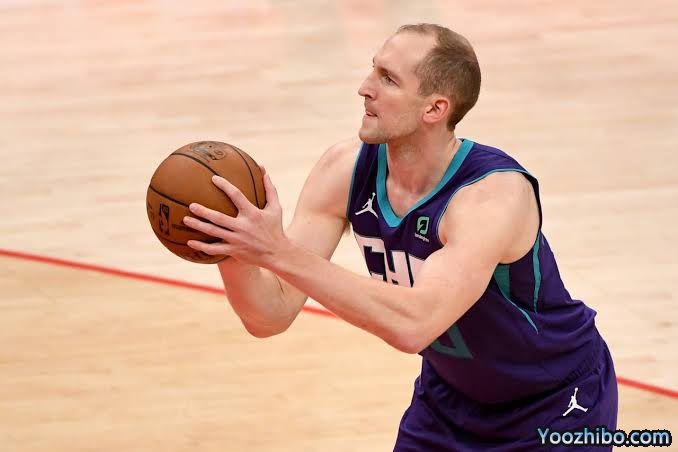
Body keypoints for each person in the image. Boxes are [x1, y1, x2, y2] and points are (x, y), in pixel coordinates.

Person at [182, 23, 618, 451]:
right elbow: (270, 315)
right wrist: (230, 246)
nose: (364, 88)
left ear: (435, 109)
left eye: (388, 79)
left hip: (555, 404)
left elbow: (414, 325)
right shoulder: (343, 170)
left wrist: (277, 251)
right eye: (373, 69)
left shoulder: (491, 197)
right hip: (450, 400)